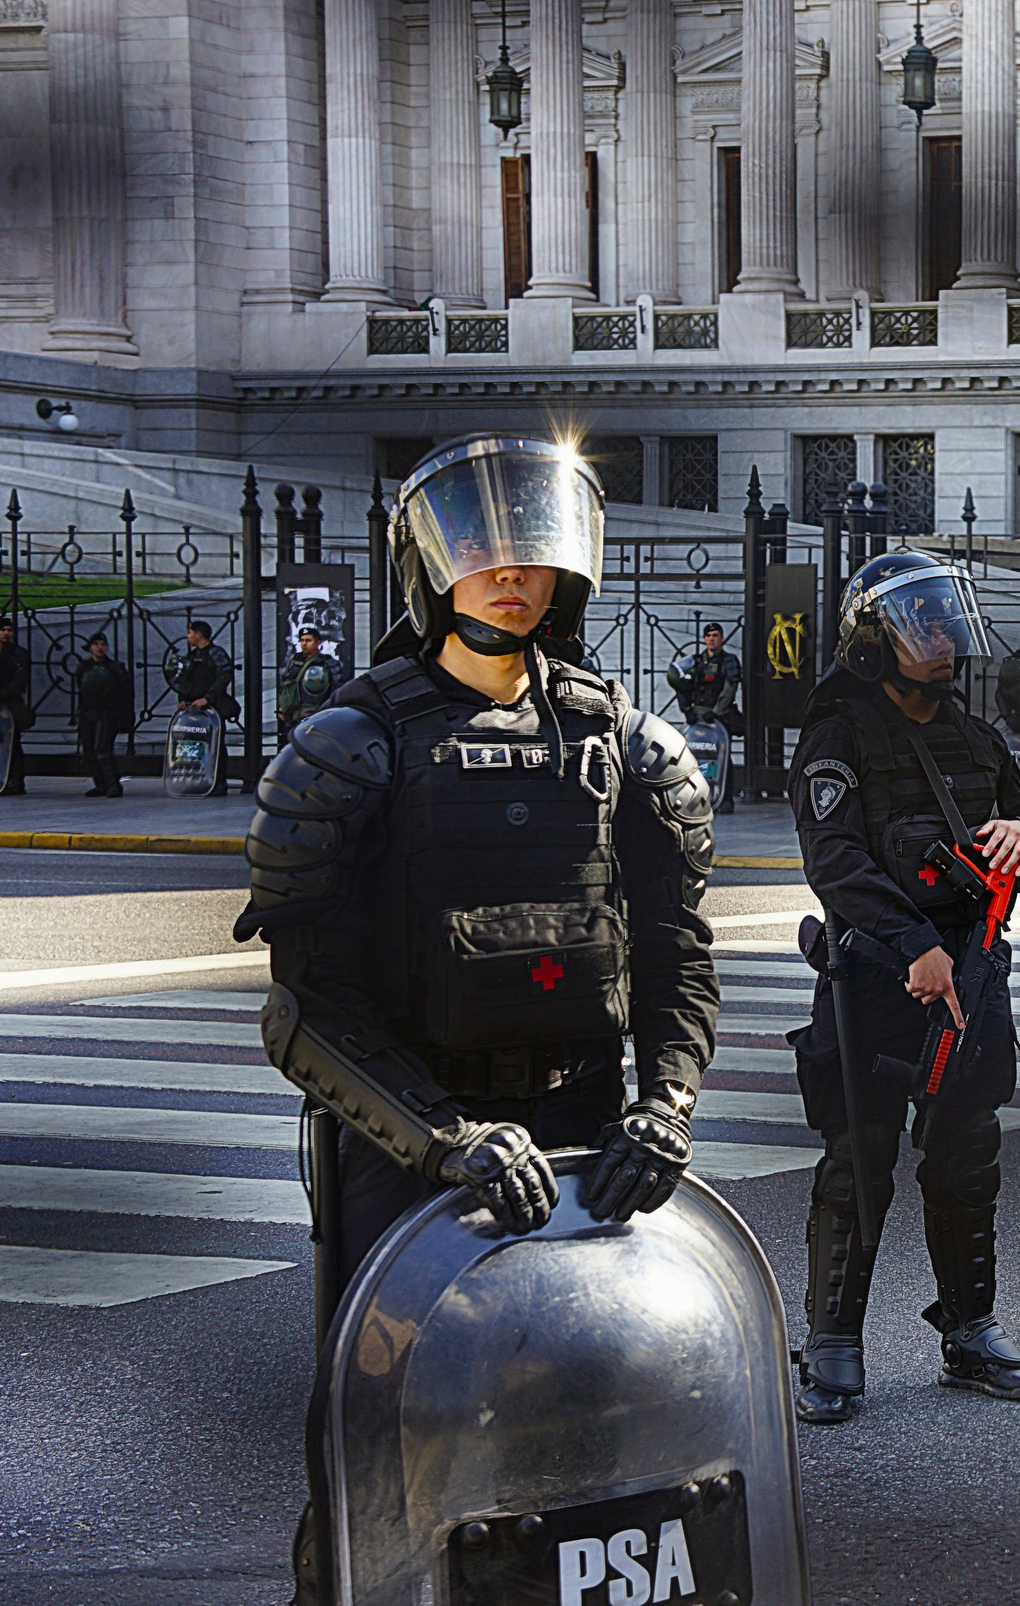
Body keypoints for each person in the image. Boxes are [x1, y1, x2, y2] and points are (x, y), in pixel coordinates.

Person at [232, 435, 720, 1605]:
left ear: (568, 569)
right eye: (483, 549)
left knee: (597, 1414)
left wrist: (665, 1107)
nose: (510, 569)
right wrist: (443, 1139)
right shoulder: (351, 747)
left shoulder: (629, 747)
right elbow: (306, 1012)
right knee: (384, 1425)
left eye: (532, 547)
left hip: (585, 1133)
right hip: (416, 1150)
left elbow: (674, 960)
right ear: (435, 569)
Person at [788, 549, 1020, 1426]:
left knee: (968, 1154)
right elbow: (837, 864)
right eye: (923, 624)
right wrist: (910, 944)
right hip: (875, 976)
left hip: (970, 972)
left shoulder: (976, 736)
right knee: (859, 1158)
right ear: (876, 640)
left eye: (947, 622)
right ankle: (833, 1339)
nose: (942, 640)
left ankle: (969, 1329)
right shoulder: (838, 735)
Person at [667, 622, 747, 813]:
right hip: (699, 715)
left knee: (722, 757)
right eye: (709, 635)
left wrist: (717, 711)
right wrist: (687, 710)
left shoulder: (729, 661)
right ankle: (694, 796)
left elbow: (730, 688)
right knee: (693, 755)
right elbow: (681, 684)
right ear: (704, 639)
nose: (712, 639)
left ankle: (725, 798)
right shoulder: (695, 661)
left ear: (722, 638)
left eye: (716, 635)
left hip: (720, 716)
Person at [167, 619, 239, 796]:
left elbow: (224, 676)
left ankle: (219, 782)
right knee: (195, 745)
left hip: (211, 708)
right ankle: (197, 780)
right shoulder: (191, 657)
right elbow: (185, 681)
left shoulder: (215, 653)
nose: (188, 636)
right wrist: (183, 700)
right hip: (194, 709)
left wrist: (207, 698)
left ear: (199, 634)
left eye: (190, 633)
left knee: (215, 745)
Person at [74, 632, 133, 797]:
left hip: (107, 712)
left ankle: (113, 784)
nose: (100, 648)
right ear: (90, 647)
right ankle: (100, 784)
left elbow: (125, 693)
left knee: (102, 749)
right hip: (88, 711)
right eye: (96, 644)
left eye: (103, 644)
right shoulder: (84, 667)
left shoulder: (115, 668)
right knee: (88, 749)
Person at [0, 616, 32, 796]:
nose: (6, 633)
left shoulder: (18, 653)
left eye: (9, 630)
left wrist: (0, 695)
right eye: (2, 630)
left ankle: (16, 781)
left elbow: (19, 681)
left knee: (13, 743)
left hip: (9, 704)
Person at [274, 626, 349, 739]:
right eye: (302, 640)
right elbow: (285, 684)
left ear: (318, 643)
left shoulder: (327, 662)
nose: (304, 644)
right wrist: (282, 707)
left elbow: (337, 688)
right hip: (294, 714)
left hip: (315, 713)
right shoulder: (295, 660)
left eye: (308, 640)